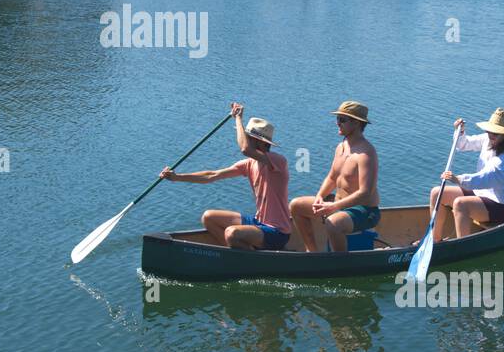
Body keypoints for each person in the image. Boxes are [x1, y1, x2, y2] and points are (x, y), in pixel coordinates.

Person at [159, 102, 291, 250]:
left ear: (259, 142)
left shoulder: (278, 161)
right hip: (258, 221)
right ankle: (235, 254)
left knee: (232, 232)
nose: (245, 139)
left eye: (248, 137)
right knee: (209, 217)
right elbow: (212, 175)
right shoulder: (248, 164)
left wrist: (238, 119)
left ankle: (249, 259)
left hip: (277, 231)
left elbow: (245, 149)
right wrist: (177, 177)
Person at [289, 101, 380, 253]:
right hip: (338, 203)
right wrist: (320, 196)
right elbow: (332, 178)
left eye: (342, 120)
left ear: (357, 123)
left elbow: (365, 192)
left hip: (365, 211)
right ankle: (312, 253)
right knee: (296, 205)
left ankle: (340, 263)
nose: (338, 123)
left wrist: (333, 207)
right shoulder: (341, 147)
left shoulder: (366, 153)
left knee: (333, 223)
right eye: (337, 118)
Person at [427, 108, 504, 241]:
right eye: (489, 131)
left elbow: (486, 178)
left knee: (460, 204)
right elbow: (463, 145)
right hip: (480, 195)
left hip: (500, 205)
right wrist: (460, 132)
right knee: (437, 193)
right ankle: (434, 240)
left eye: (496, 133)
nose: (491, 135)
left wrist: (458, 179)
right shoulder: (488, 140)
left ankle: (461, 247)